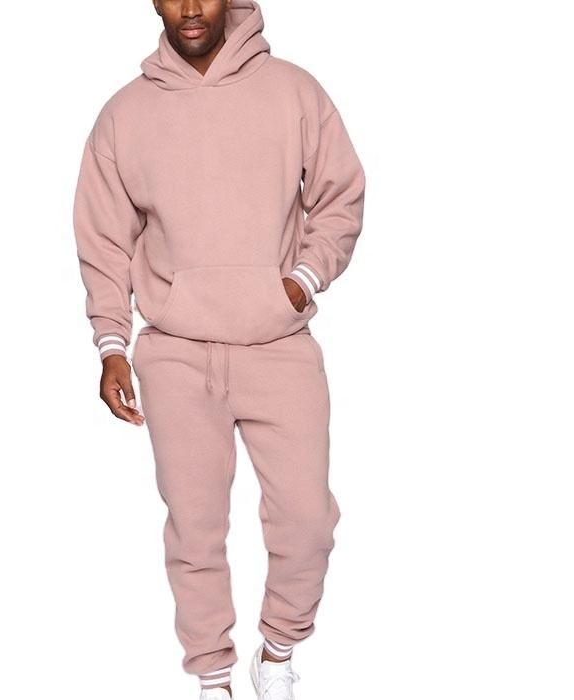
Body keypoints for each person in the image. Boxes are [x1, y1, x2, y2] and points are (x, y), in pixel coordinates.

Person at [72, 1, 365, 697]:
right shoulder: (125, 114)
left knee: (307, 522)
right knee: (195, 529)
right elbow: (103, 238)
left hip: (279, 345)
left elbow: (340, 196)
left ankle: (279, 650)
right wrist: (111, 343)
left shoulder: (294, 92)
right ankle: (213, 677)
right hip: (174, 352)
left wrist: (300, 281)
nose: (190, 7)